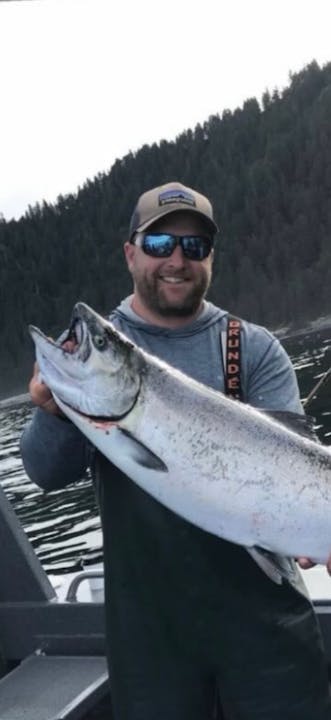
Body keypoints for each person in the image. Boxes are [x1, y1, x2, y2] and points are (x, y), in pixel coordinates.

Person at [21, 181, 331, 720]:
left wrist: (309, 533)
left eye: (194, 246)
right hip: (150, 639)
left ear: (210, 257)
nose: (178, 261)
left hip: (266, 629)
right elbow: (43, 472)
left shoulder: (252, 347)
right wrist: (54, 414)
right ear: (130, 253)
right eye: (161, 244)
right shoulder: (95, 358)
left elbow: (297, 461)